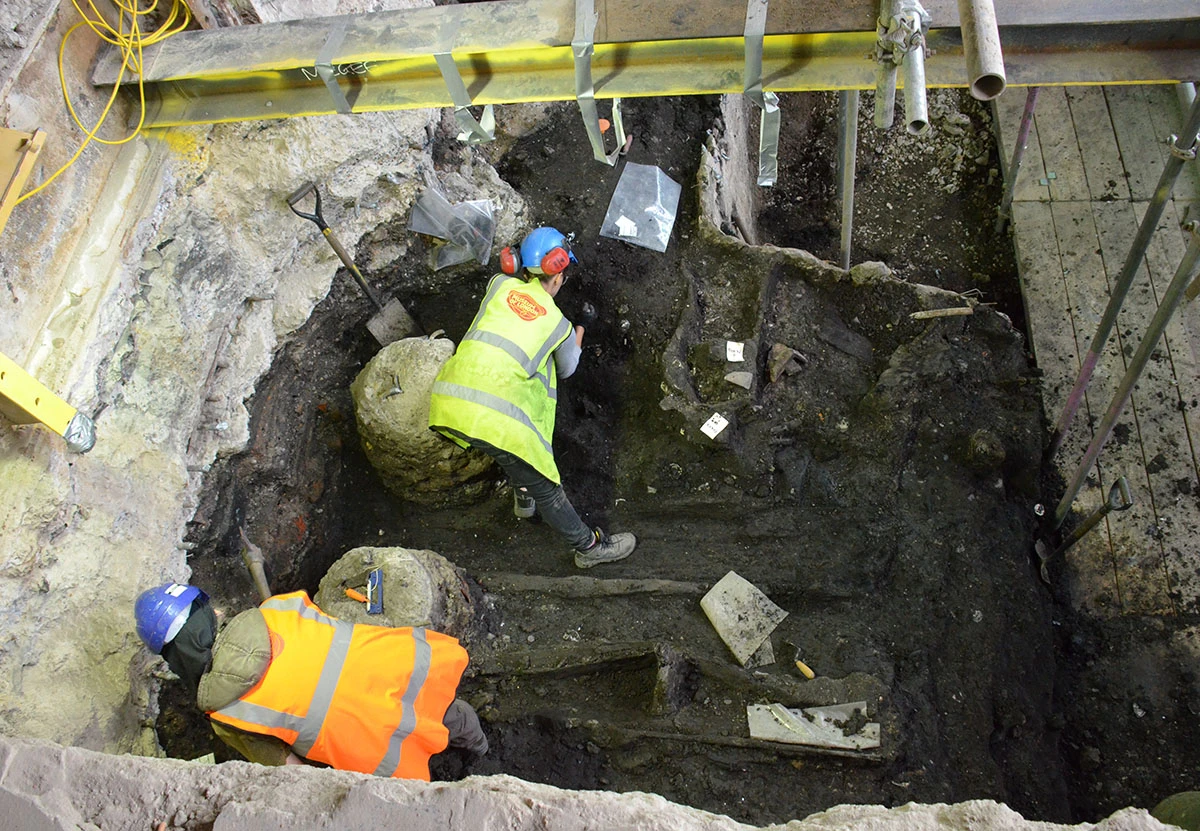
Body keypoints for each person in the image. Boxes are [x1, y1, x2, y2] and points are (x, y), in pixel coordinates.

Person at [428, 226, 637, 568]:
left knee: (507, 452)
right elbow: (568, 368)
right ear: (558, 278)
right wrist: (580, 326)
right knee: (546, 485)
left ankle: (523, 501)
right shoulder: (557, 323)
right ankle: (589, 548)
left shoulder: (498, 286)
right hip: (497, 416)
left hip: (452, 400)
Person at [134, 582, 488, 781]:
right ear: (211, 611)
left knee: (411, 793)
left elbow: (293, 774)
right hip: (400, 670)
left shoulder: (227, 714)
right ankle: (481, 752)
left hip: (372, 741)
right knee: (449, 714)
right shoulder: (277, 608)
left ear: (175, 657)